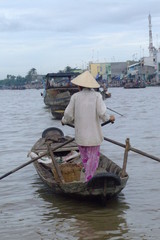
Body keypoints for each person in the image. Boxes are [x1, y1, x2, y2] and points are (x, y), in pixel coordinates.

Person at [61, 71, 115, 182]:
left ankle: (88, 179)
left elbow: (68, 115)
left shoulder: (75, 97)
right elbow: (102, 113)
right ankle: (89, 179)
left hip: (80, 135)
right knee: (93, 159)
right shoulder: (97, 96)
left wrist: (64, 121)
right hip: (93, 136)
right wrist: (110, 118)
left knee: (85, 159)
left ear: (80, 86)